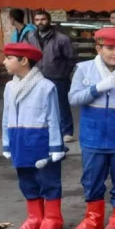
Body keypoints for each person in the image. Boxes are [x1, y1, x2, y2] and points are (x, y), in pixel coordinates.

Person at [68, 28, 115, 229]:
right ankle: (93, 218)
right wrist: (97, 88)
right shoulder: (84, 69)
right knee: (91, 178)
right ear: (98, 48)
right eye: (110, 48)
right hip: (92, 135)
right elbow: (73, 99)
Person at [1, 42, 65, 229]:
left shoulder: (45, 86)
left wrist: (56, 146)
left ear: (24, 61)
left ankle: (53, 217)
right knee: (26, 180)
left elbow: (53, 118)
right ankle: (35, 217)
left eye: (9, 58)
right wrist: (6, 142)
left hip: (41, 140)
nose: (4, 62)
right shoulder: (10, 87)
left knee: (48, 179)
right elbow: (6, 116)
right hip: (18, 140)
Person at [27, 10, 76, 143]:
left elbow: (71, 58)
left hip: (58, 77)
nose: (40, 22)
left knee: (62, 105)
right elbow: (29, 56)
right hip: (38, 77)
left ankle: (67, 132)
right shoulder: (31, 37)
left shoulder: (62, 39)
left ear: (49, 20)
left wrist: (63, 73)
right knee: (40, 104)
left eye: (43, 19)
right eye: (37, 20)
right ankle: (46, 130)